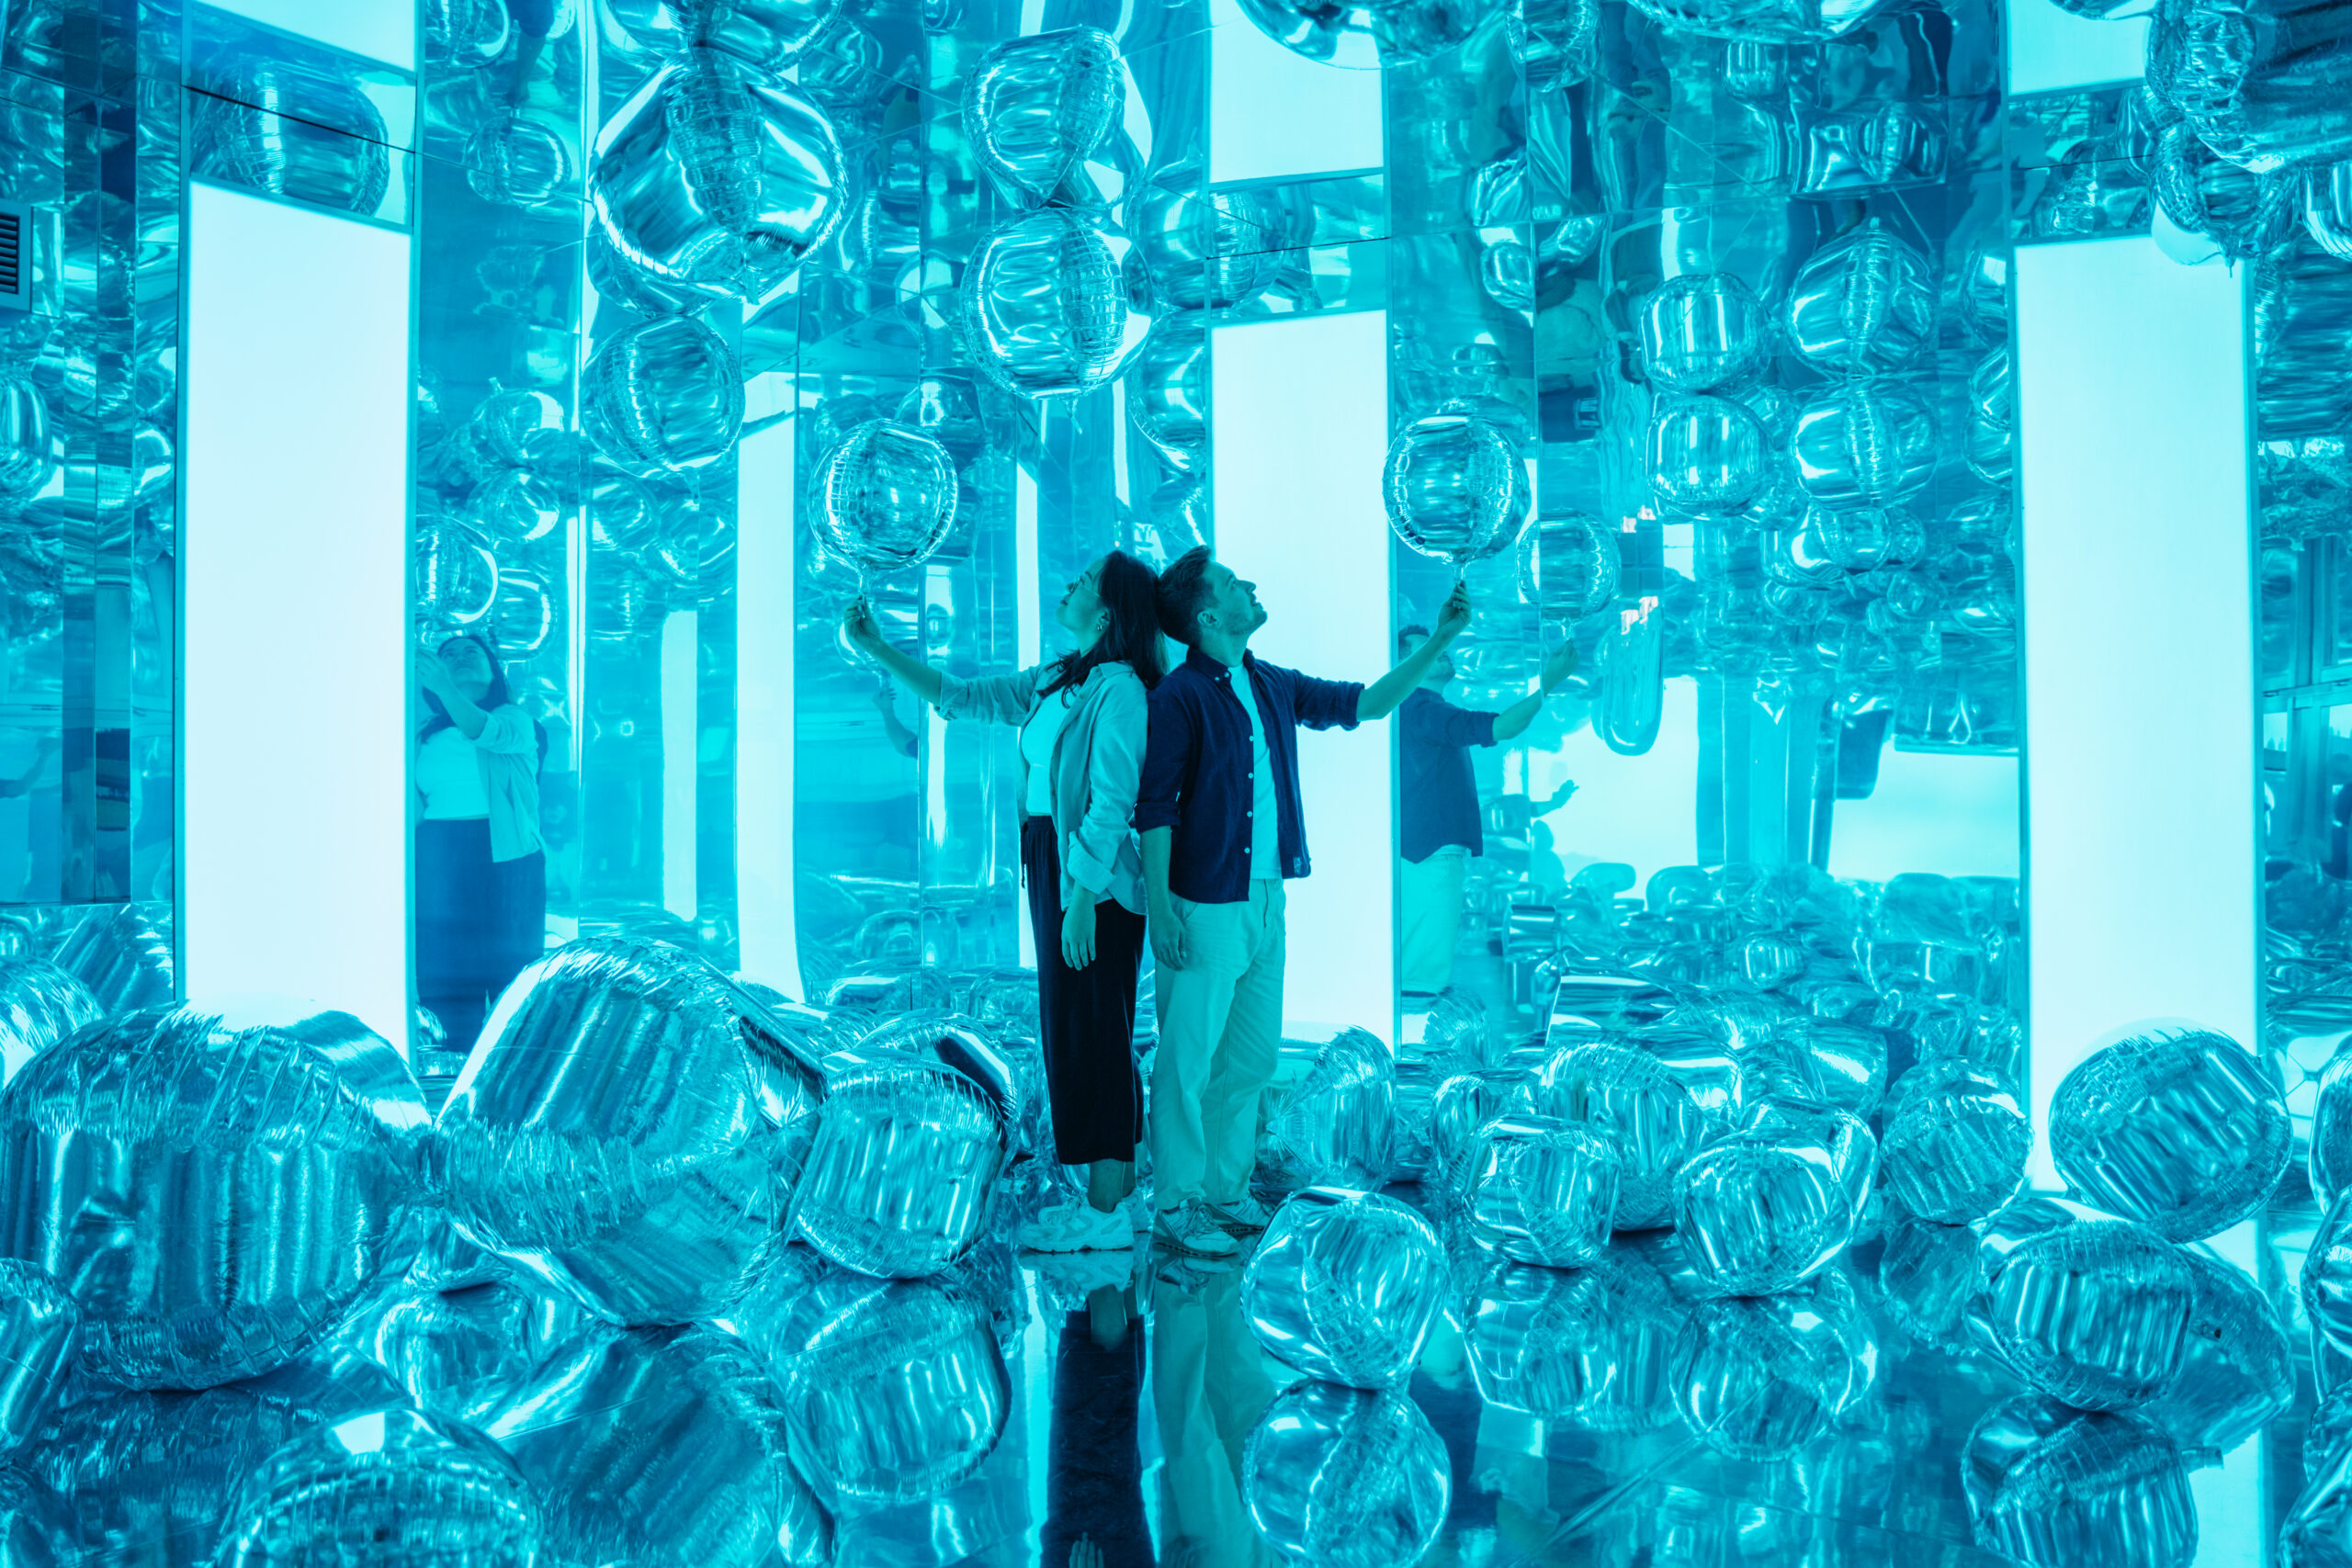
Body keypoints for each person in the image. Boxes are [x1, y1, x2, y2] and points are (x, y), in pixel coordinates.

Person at [1136, 548, 1472, 1259]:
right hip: (1204, 904)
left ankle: (1224, 1194)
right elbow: (1155, 808)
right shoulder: (1179, 697)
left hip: (1265, 900)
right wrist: (1160, 908)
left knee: (1250, 1060)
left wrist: (1440, 639)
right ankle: (1176, 1205)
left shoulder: (1270, 682)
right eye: (1233, 583)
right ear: (1207, 616)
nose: (1250, 585)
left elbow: (1367, 704)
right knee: (1187, 1061)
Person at [845, 551, 1163, 1255]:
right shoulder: (1058, 679)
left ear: (1107, 612)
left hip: (1092, 877)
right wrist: (878, 649)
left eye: (1085, 582)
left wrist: (1082, 895)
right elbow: (964, 697)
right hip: (1051, 859)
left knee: (1095, 1032)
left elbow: (1112, 801)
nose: (1070, 584)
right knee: (1073, 1029)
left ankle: (1108, 1211)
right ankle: (1117, 1202)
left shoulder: (1121, 691)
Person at [1395, 625, 1578, 998]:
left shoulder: (1417, 713)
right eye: (1428, 648)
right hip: (1429, 859)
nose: (1442, 649)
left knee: (1422, 968)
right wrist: (1548, 683)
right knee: (1420, 980)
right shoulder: (1425, 711)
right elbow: (1504, 726)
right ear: (1405, 666)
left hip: (1424, 858)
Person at [414, 633, 547, 1052]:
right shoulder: (421, 735)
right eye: (449, 654)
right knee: (442, 973)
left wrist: (444, 686)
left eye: (472, 652)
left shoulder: (516, 719)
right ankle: (451, 1069)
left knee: (513, 976)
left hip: (507, 858)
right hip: (437, 852)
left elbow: (487, 733)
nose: (460, 657)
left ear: (493, 671)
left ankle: (515, 1073)